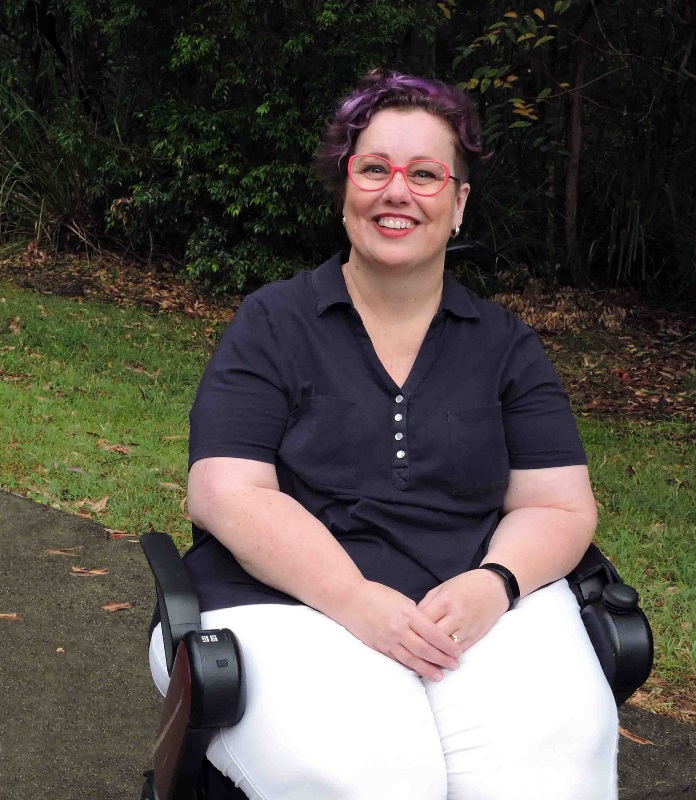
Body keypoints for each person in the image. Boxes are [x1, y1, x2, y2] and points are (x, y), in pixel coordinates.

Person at [149, 69, 618, 800]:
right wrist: (357, 600)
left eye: (426, 174)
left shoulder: (505, 345)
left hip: (473, 607)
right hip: (285, 602)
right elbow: (224, 491)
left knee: (549, 773)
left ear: (459, 204)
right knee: (373, 776)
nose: (397, 191)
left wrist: (493, 586)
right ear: (346, 188)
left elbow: (559, 505)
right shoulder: (273, 323)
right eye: (374, 168)